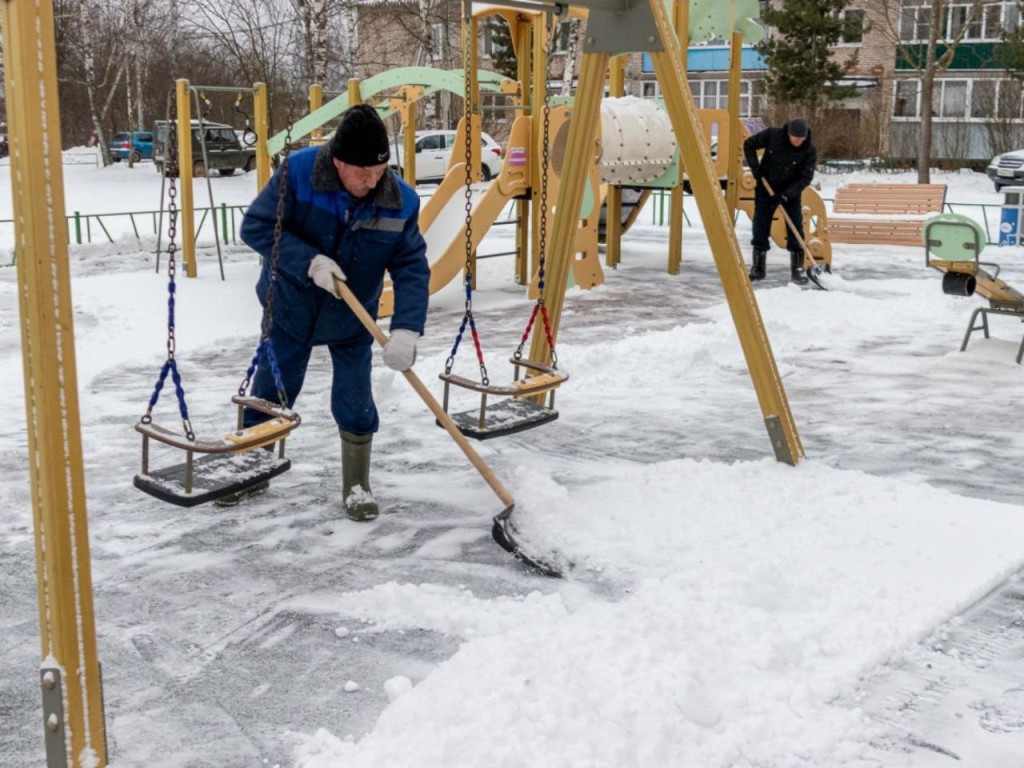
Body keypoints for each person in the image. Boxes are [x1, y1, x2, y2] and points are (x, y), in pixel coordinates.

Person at [238, 103, 430, 521]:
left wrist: (407, 329)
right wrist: (308, 261)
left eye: (379, 170)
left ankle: (357, 485)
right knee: (270, 392)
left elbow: (412, 266)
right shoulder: (299, 174)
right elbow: (256, 227)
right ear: (338, 162)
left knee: (355, 399)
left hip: (353, 317)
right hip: (291, 306)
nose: (372, 180)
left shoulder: (401, 201)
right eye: (362, 171)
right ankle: (248, 471)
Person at [743, 118, 817, 285]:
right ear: (788, 133)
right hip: (766, 186)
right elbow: (749, 144)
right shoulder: (772, 135)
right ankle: (758, 267)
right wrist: (755, 169)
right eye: (795, 137)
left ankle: (797, 268)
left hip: (790, 191)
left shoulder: (809, 150)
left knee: (795, 225)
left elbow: (805, 177)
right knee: (761, 225)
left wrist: (786, 194)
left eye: (801, 138)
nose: (798, 141)